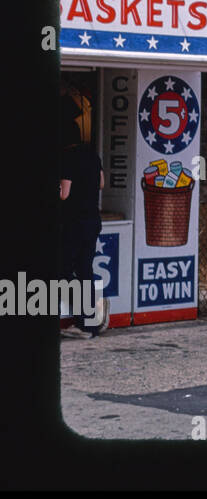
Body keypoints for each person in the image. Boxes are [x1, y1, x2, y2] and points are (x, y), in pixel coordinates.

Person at [59, 96, 107, 338]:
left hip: (73, 223)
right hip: (92, 221)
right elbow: (101, 183)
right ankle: (89, 322)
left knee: (64, 269)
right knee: (85, 269)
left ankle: (80, 318)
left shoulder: (66, 158)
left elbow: (64, 194)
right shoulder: (91, 154)